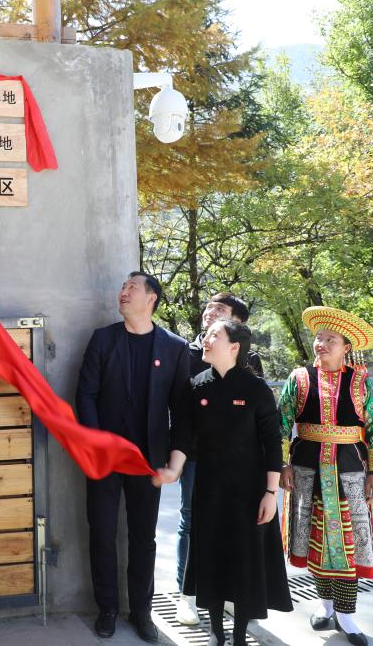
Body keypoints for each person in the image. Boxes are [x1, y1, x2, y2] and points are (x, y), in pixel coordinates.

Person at [154, 320, 292, 645]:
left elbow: (272, 443)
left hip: (250, 491)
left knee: (244, 562)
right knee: (211, 559)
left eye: (215, 334)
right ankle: (216, 632)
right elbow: (183, 435)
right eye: (207, 333)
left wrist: (270, 493)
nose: (206, 338)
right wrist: (173, 470)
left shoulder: (256, 389)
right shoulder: (196, 386)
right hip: (209, 489)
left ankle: (240, 635)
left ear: (234, 347)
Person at [76, 271, 190, 642]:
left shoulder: (174, 347)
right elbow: (85, 395)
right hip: (105, 459)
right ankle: (107, 608)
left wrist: (174, 461)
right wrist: (96, 443)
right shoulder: (103, 339)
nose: (123, 292)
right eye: (123, 287)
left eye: (132, 288)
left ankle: (142, 611)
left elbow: (182, 411)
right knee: (102, 532)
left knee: (143, 538)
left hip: (148, 461)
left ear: (151, 298)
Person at [279, 306, 373, 646]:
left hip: (350, 470)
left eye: (331, 339)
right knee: (315, 537)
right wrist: (281, 464)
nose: (322, 344)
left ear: (346, 347)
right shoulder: (299, 379)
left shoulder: (360, 381)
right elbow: (280, 424)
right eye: (319, 337)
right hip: (306, 470)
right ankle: (326, 604)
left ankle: (346, 613)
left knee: (347, 541)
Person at [177, 292, 265, 625]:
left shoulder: (250, 358)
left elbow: (259, 414)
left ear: (237, 322)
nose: (210, 311)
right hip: (197, 455)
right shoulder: (185, 352)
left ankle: (228, 593)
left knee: (232, 521)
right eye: (209, 306)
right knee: (191, 521)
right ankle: (187, 595)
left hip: (238, 458)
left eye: (221, 309)